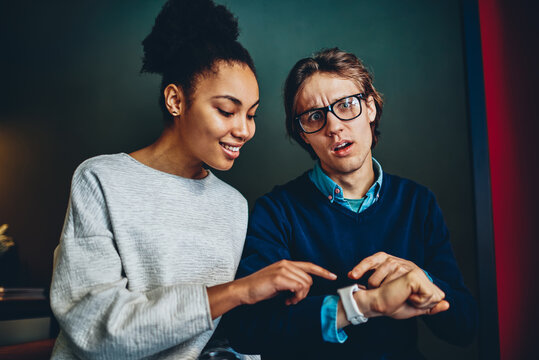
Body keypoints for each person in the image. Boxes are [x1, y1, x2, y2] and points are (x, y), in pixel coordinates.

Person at [48, 1, 339, 359]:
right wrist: (238, 291)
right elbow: (95, 330)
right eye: (226, 110)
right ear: (175, 100)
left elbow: (224, 339)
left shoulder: (233, 206)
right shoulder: (101, 180)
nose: (244, 130)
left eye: (251, 115)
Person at [223, 48, 477, 359]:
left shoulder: (418, 203)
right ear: (303, 135)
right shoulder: (276, 212)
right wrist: (357, 306)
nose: (333, 127)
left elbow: (465, 327)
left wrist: (423, 278)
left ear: (370, 107)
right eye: (315, 116)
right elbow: (248, 330)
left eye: (346, 105)